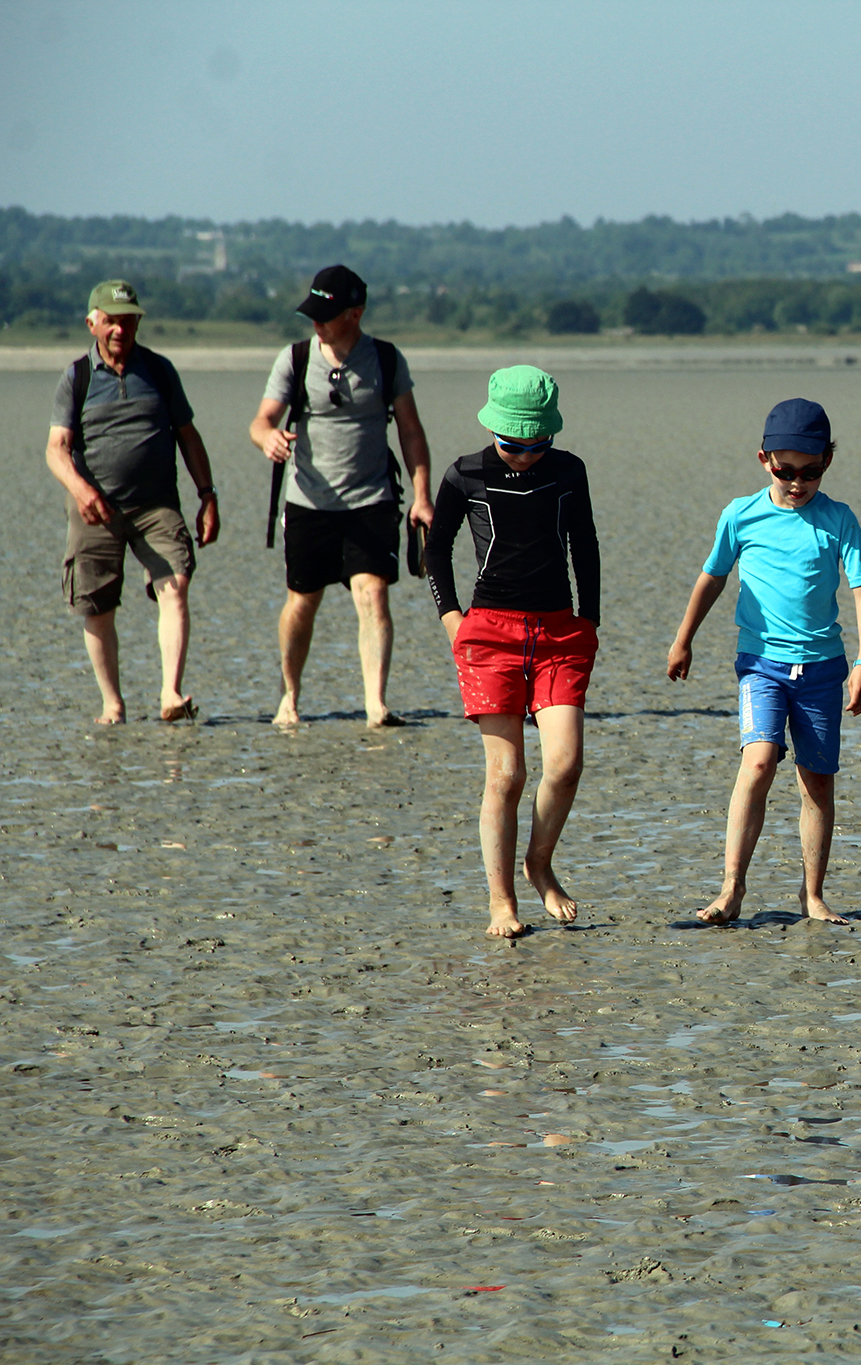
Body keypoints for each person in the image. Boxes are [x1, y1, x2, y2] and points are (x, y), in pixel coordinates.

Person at [666, 399, 861, 927]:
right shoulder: (741, 515)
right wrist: (683, 639)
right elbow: (712, 577)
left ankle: (812, 895)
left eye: (811, 472)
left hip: (824, 669)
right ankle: (731, 890)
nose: (797, 482)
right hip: (761, 664)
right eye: (785, 471)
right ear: (764, 459)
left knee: (817, 781)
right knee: (758, 761)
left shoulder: (838, 519)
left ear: (828, 462)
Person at [424, 367, 600, 940]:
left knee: (565, 764)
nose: (524, 454)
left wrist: (589, 619)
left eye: (536, 443)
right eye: (512, 443)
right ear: (492, 429)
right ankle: (501, 901)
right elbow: (435, 550)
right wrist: (452, 617)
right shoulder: (465, 473)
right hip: (488, 634)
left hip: (558, 634)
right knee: (506, 775)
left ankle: (539, 862)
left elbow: (585, 546)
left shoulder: (569, 472)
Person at [250, 265, 434, 728]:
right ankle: (289, 697)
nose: (317, 322)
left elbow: (411, 431)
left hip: (372, 499)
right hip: (309, 501)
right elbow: (261, 420)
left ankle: (376, 703)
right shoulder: (294, 359)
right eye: (312, 312)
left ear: (356, 313)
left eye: (327, 315)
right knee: (302, 600)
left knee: (372, 594)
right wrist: (267, 436)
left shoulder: (386, 360)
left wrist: (422, 495)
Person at [44, 280, 221, 724]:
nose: (120, 330)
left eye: (128, 321)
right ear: (92, 323)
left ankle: (171, 694)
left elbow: (188, 436)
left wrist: (207, 496)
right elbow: (56, 449)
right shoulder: (77, 377)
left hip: (156, 505)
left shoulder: (159, 371)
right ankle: (113, 703)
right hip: (95, 510)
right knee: (97, 605)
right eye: (111, 321)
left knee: (176, 585)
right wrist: (83, 491)